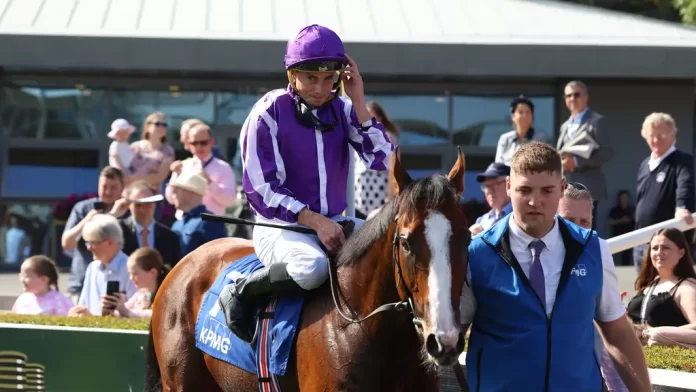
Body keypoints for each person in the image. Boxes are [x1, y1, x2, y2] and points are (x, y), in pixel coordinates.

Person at [217, 24, 394, 344]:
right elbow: (261, 190)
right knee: (311, 268)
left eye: (330, 79)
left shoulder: (342, 109)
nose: (321, 88)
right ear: (292, 75)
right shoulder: (267, 112)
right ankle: (239, 291)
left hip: (335, 222)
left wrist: (358, 100)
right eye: (311, 77)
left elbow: (381, 158)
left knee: (387, 251)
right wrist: (315, 220)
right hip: (279, 227)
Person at [463, 141, 651, 392]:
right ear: (508, 187)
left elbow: (617, 334)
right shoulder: (475, 253)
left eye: (547, 191)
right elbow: (448, 336)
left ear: (562, 189)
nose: (535, 201)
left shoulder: (594, 249)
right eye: (525, 190)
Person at [557, 182, 628, 392]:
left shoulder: (599, 250)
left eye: (585, 222)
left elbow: (613, 331)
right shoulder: (526, 253)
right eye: (568, 220)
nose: (577, 229)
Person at [633, 113, 694, 272]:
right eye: (651, 135)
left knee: (669, 293)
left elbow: (685, 185)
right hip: (642, 243)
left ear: (673, 134)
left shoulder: (682, 161)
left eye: (661, 135)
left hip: (668, 247)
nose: (655, 140)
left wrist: (681, 206)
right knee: (644, 293)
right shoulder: (645, 165)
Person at [557, 81, 613, 229]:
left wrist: (576, 162)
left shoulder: (597, 121)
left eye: (577, 95)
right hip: (566, 188)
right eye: (568, 96)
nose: (572, 99)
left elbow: (607, 152)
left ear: (586, 97)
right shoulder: (565, 125)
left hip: (588, 188)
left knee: (586, 235)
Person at [102, 247, 171, 318]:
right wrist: (109, 310)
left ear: (153, 272)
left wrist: (126, 312)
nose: (131, 278)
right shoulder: (139, 295)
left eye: (135, 274)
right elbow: (125, 312)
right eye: (130, 274)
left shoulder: (168, 295)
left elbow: (160, 315)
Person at [495, 95, 548, 166]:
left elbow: (542, 165)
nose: (524, 115)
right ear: (513, 116)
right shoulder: (505, 139)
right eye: (521, 112)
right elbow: (498, 164)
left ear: (532, 116)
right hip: (506, 176)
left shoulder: (540, 139)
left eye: (528, 112)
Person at [469, 162, 512, 236]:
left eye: (496, 184)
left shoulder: (519, 216)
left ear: (509, 184)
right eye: (487, 186)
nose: (490, 190)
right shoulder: (482, 220)